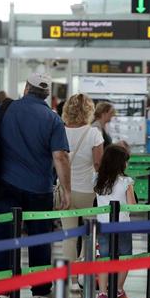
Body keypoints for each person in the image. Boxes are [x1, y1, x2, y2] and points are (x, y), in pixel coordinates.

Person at [0, 73, 70, 298]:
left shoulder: (4, 110)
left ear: (26, 88)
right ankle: (40, 289)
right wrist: (66, 189)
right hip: (39, 188)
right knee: (40, 237)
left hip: (6, 184)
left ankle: (3, 290)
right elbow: (60, 157)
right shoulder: (52, 119)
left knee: (4, 236)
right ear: (47, 95)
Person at [59, 94, 104, 287]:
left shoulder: (60, 131)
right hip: (88, 191)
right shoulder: (93, 133)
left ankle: (67, 277)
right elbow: (98, 164)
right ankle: (83, 277)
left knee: (69, 235)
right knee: (88, 236)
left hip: (65, 190)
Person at [94, 145, 136, 298]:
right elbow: (131, 205)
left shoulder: (97, 179)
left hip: (103, 225)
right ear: (121, 163)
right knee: (125, 257)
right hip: (123, 225)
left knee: (104, 258)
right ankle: (118, 290)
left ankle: (103, 293)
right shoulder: (126, 181)